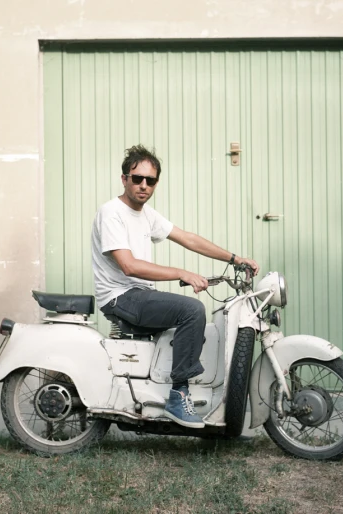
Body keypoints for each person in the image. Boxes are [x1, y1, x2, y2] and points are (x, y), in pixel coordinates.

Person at [91, 145, 259, 428]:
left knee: (195, 322)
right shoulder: (111, 213)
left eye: (151, 180)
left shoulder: (147, 215)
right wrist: (181, 272)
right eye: (137, 178)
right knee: (191, 310)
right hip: (120, 298)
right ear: (124, 179)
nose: (144, 185)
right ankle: (178, 396)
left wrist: (234, 258)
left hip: (139, 295)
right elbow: (129, 266)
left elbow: (188, 238)